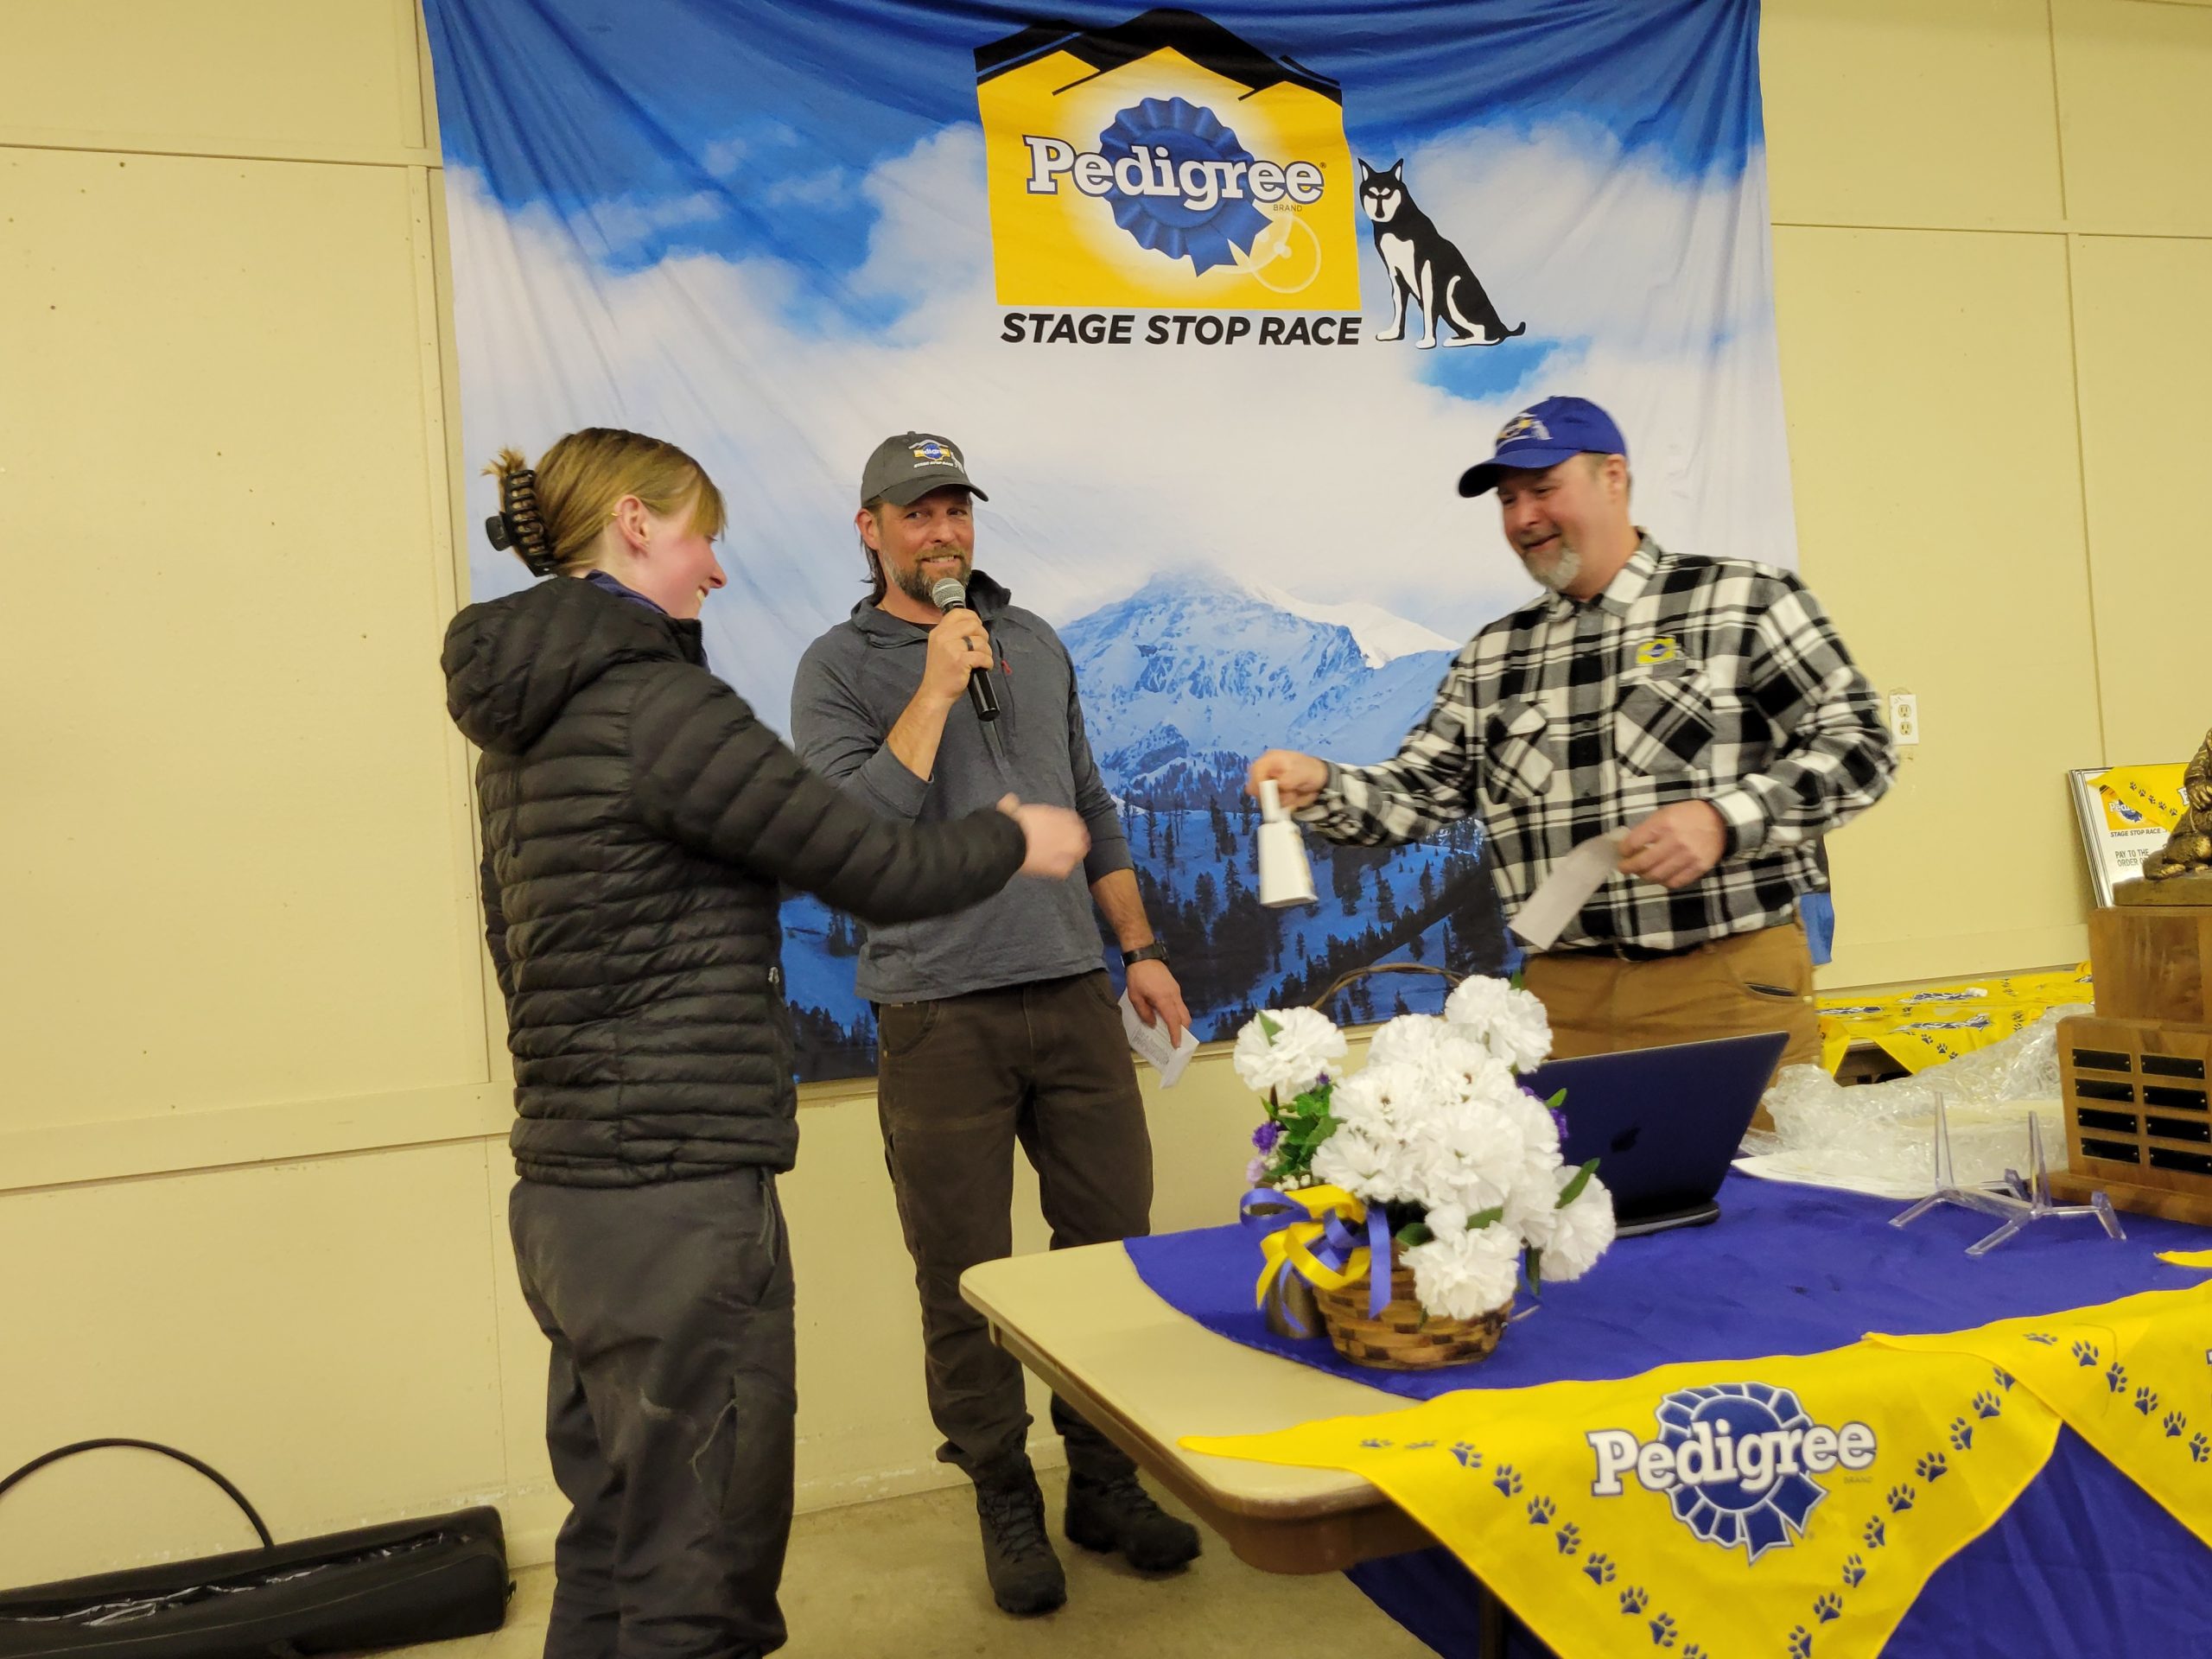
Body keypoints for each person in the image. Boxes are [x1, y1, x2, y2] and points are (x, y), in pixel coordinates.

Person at [441, 426, 1090, 1659]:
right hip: (678, 1204)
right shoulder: (658, 707)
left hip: (570, 1201)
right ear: (636, 523)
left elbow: (514, 938)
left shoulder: (525, 730)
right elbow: (871, 864)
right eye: (703, 537)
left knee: (616, 1542)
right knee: (703, 1578)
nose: (716, 569)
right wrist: (1015, 838)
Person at [789, 431, 1200, 1618]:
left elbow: (1092, 805)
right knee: (964, 1277)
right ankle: (1003, 1494)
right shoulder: (836, 666)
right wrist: (932, 683)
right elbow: (855, 834)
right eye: (918, 514)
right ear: (870, 529)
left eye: (956, 510)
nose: (943, 533)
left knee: (1110, 1255)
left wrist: (1140, 950)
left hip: (1072, 990)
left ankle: (1103, 1482)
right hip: (936, 1012)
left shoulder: (1034, 641)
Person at [1248, 396, 1896, 1074]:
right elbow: (1417, 793)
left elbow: (1859, 746)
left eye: (1543, 489)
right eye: (1508, 499)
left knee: (1758, 1152)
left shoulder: (1745, 600)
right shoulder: (1494, 655)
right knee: (1566, 1154)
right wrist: (1323, 785)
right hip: (1561, 1004)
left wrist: (1722, 821)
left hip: (1728, 988)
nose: (1523, 518)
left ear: (1613, 478)